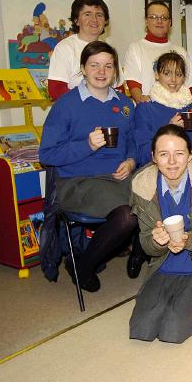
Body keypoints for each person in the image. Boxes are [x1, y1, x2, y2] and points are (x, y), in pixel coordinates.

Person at [39, 41, 138, 292]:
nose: (101, 71)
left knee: (158, 197)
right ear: (83, 68)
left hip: (119, 178)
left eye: (108, 65)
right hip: (78, 182)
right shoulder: (66, 105)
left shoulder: (125, 105)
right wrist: (87, 145)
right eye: (94, 65)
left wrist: (130, 161)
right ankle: (83, 267)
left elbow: (134, 144)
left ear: (115, 70)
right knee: (128, 215)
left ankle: (141, 257)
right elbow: (47, 154)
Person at [129, 124, 192, 344]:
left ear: (190, 155)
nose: (172, 161)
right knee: (141, 329)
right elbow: (146, 244)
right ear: (153, 157)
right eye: (164, 154)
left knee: (172, 331)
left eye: (179, 153)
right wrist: (157, 241)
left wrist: (190, 239)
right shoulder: (143, 188)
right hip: (163, 265)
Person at [134, 52, 192, 168]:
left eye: (179, 74)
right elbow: (142, 155)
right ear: (156, 75)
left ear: (184, 78)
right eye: (167, 73)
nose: (173, 79)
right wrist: (167, 131)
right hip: (157, 172)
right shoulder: (145, 108)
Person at [123, 0, 192, 103]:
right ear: (146, 21)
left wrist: (180, 105)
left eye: (164, 18)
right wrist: (143, 102)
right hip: (149, 110)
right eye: (153, 17)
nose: (159, 21)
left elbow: (190, 86)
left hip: (177, 110)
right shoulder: (136, 48)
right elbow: (133, 83)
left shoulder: (181, 51)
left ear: (170, 22)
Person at [47, 0, 110, 100]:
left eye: (99, 15)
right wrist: (90, 103)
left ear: (105, 21)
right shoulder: (65, 48)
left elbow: (118, 87)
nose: (94, 20)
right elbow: (56, 89)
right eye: (87, 14)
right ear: (76, 20)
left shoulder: (109, 50)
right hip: (77, 112)